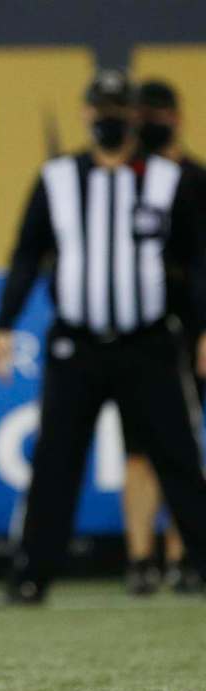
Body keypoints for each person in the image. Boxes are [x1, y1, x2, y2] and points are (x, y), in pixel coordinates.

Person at [0, 70, 206, 604]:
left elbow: (196, 261)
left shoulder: (165, 179)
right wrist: (4, 323)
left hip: (147, 342)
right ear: (87, 113)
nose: (109, 118)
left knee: (177, 458)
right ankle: (32, 575)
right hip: (77, 345)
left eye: (118, 109)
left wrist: (202, 330)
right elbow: (26, 253)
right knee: (56, 463)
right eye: (101, 108)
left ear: (132, 115)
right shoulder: (59, 177)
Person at [122, 79, 206, 595]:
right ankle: (141, 558)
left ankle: (182, 555)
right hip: (143, 332)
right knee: (139, 447)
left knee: (179, 448)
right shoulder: (128, 177)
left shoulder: (193, 179)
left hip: (185, 330)